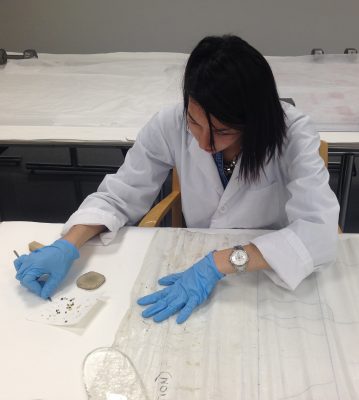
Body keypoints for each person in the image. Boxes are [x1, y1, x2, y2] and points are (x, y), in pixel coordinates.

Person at [14, 35, 339, 324]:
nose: (205, 142)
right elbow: (120, 194)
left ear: (253, 119)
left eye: (223, 131)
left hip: (266, 271)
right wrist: (67, 245)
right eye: (194, 123)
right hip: (191, 260)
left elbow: (319, 232)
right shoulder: (169, 122)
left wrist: (221, 262)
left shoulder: (292, 133)